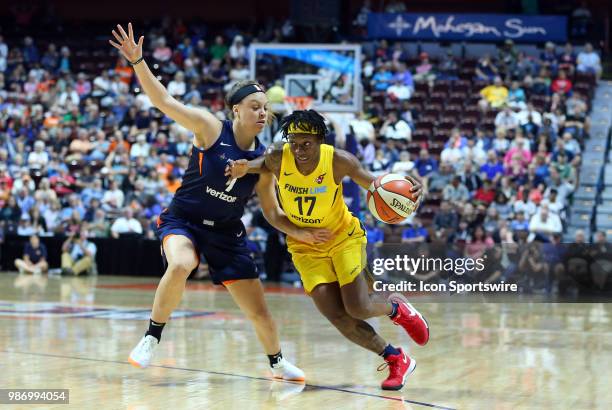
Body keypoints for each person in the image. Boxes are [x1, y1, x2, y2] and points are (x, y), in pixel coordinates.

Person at [109, 23, 304, 380]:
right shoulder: (210, 128)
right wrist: (138, 62)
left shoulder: (265, 161)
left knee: (259, 311)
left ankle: (277, 362)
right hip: (184, 220)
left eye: (265, 108)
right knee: (181, 264)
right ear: (235, 111)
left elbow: (272, 212)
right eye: (254, 106)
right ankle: (152, 336)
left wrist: (302, 233)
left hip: (228, 233)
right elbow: (163, 101)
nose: (262, 113)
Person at [227, 110, 429, 390]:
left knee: (357, 307)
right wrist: (245, 167)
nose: (299, 151)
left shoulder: (339, 161)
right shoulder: (278, 157)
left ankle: (396, 308)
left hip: (342, 237)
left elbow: (377, 184)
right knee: (337, 316)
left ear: (320, 141)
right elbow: (264, 175)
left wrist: (409, 191)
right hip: (304, 246)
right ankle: (396, 358)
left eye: (306, 144)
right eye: (294, 143)